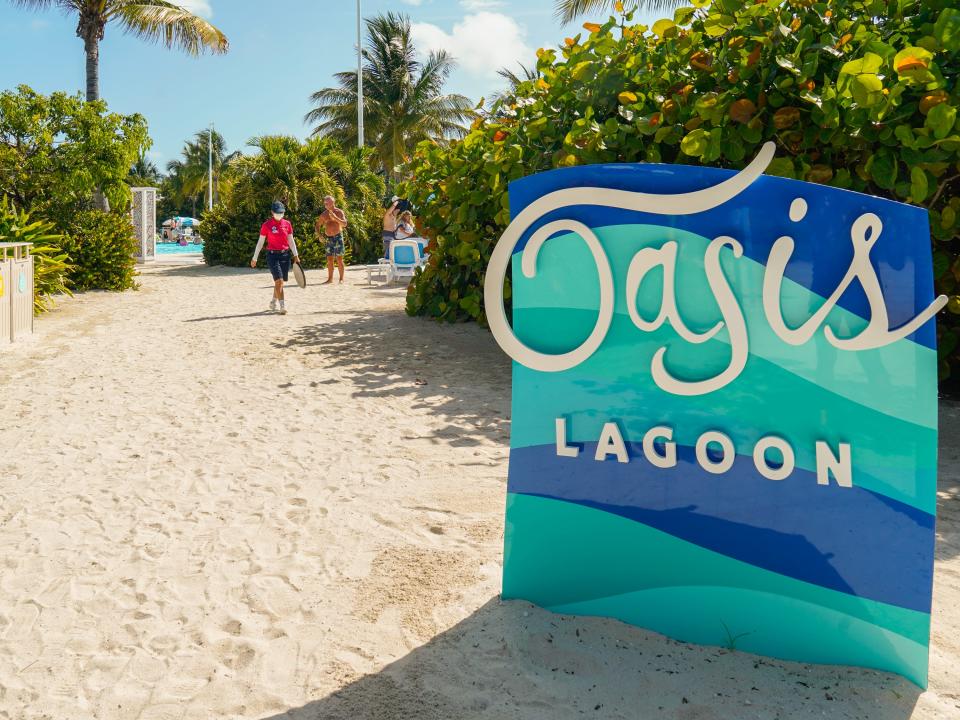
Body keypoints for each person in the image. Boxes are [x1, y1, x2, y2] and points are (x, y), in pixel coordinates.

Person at [251, 201, 299, 315]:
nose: (280, 214)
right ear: (272, 212)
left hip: (285, 255)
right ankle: (282, 306)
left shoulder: (287, 224)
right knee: (279, 280)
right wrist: (255, 258)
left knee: (279, 282)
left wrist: (296, 255)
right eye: (277, 212)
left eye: (282, 212)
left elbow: (291, 241)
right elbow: (260, 242)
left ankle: (273, 301)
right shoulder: (266, 225)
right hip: (272, 255)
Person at [316, 195, 349, 284]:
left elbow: (345, 224)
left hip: (338, 237)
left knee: (339, 259)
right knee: (329, 259)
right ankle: (330, 279)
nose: (325, 204)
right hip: (328, 238)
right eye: (325, 203)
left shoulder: (339, 212)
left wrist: (335, 218)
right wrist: (320, 235)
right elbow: (317, 225)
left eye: (327, 203)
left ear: (333, 203)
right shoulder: (324, 214)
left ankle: (341, 279)